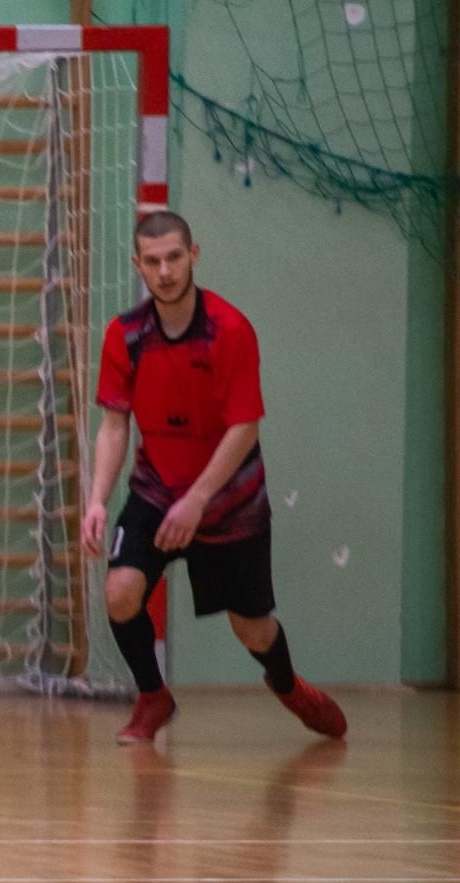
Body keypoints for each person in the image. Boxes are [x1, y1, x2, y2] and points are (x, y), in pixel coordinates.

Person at [81, 210, 346, 746]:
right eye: (153, 261)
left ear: (193, 255)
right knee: (120, 591)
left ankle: (288, 684)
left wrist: (198, 499)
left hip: (229, 499)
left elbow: (244, 427)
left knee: (251, 627)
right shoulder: (125, 335)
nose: (165, 271)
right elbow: (114, 424)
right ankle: (153, 697)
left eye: (175, 257)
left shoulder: (229, 329)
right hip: (156, 489)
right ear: (139, 266)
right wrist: (96, 501)